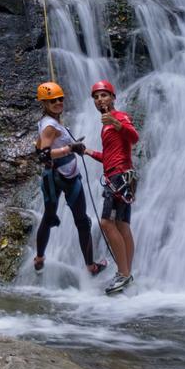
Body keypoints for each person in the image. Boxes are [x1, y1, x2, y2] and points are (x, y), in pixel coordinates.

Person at [34, 81, 107, 276]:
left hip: (52, 177)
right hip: (66, 176)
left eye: (60, 99)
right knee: (82, 222)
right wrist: (70, 149)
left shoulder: (46, 123)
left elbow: (38, 147)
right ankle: (91, 266)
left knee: (49, 217)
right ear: (44, 103)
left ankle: (39, 258)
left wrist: (73, 147)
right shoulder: (50, 126)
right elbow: (43, 154)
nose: (58, 102)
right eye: (52, 101)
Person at [84, 80, 138, 295]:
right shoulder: (105, 124)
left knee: (107, 223)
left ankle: (123, 274)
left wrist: (117, 124)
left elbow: (134, 137)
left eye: (104, 95)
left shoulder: (118, 117)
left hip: (118, 178)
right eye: (96, 97)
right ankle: (127, 273)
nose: (100, 100)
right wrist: (88, 152)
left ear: (113, 98)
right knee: (122, 226)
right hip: (123, 177)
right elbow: (109, 156)